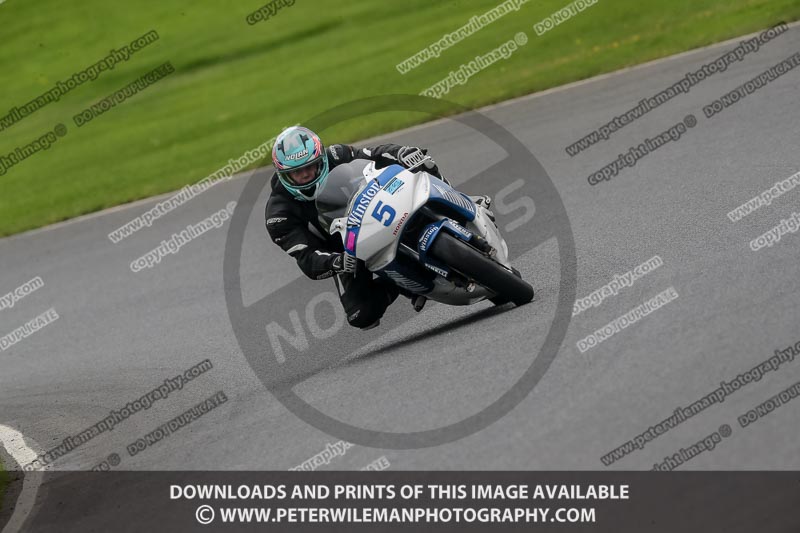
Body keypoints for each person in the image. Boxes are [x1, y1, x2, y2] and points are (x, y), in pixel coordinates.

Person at [265, 126, 490, 330]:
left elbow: (375, 154)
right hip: (346, 249)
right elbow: (307, 258)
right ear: (283, 175)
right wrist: (337, 262)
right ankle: (401, 284)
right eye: (297, 172)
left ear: (321, 159)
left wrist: (401, 153)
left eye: (310, 167)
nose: (305, 175)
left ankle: (462, 200)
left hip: (377, 206)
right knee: (361, 315)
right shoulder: (278, 215)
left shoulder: (337, 155)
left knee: (424, 164)